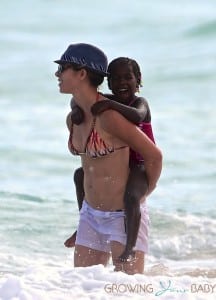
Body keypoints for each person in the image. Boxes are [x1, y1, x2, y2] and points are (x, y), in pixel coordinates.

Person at [55, 43, 162, 274]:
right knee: (82, 291)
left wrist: (141, 195)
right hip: (90, 216)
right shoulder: (73, 119)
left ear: (81, 73)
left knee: (127, 292)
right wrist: (85, 214)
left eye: (62, 68)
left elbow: (154, 156)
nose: (57, 74)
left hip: (123, 218)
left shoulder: (109, 117)